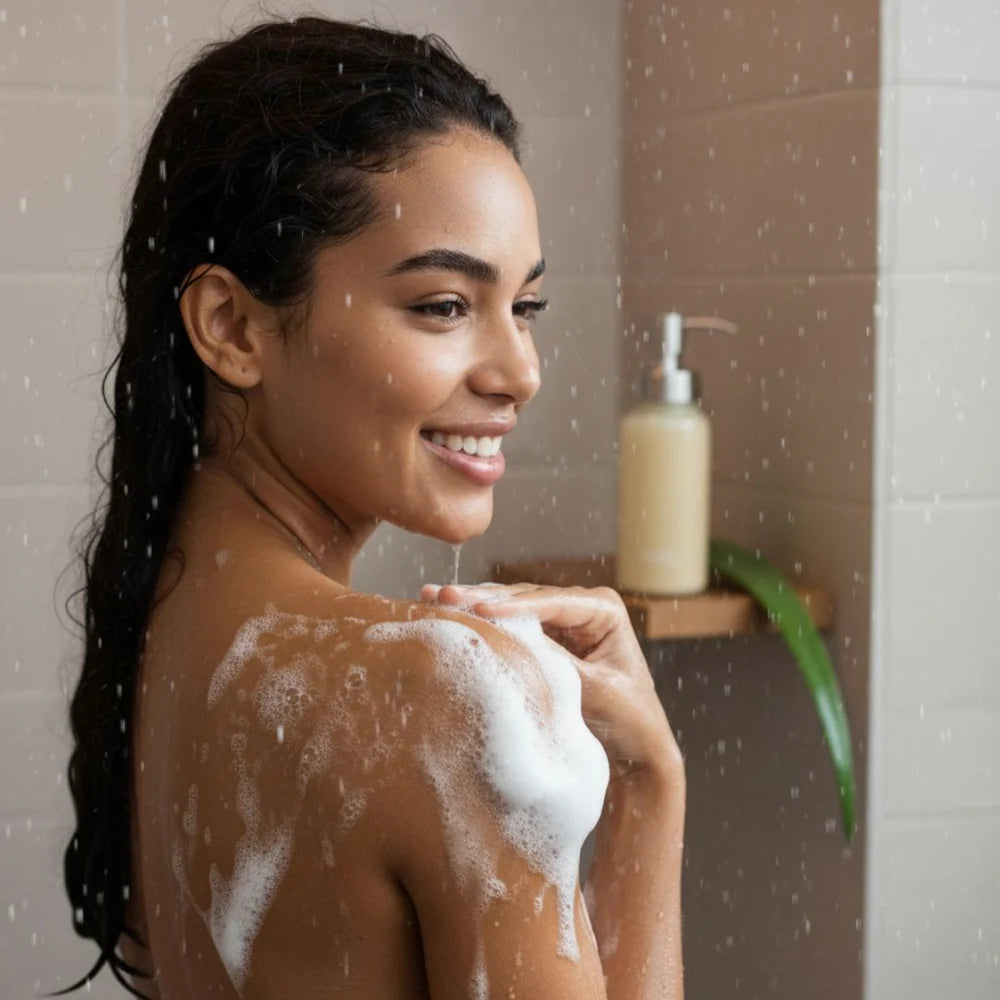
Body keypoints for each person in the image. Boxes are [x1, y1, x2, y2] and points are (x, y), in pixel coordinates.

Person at [55, 14, 686, 1000]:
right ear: (231, 326)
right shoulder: (445, 698)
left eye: (525, 306)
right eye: (443, 305)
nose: (519, 370)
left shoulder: (161, 633)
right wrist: (651, 791)